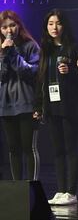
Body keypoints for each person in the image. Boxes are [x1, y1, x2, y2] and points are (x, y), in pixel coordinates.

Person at [34, 10, 78, 205]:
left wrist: (70, 71)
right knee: (57, 150)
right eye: (50, 24)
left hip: (70, 106)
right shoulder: (45, 50)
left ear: (64, 26)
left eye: (58, 23)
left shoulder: (73, 48)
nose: (54, 27)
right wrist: (38, 105)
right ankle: (61, 189)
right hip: (51, 106)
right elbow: (40, 80)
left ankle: (71, 191)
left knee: (71, 148)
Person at [0, 11, 40, 180]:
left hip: (26, 103)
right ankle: (17, 187)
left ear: (19, 26)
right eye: (4, 27)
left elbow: (28, 72)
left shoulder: (30, 46)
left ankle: (32, 187)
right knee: (13, 148)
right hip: (6, 105)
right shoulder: (1, 49)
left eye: (12, 25)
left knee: (28, 147)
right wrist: (4, 55)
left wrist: (13, 53)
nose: (9, 30)